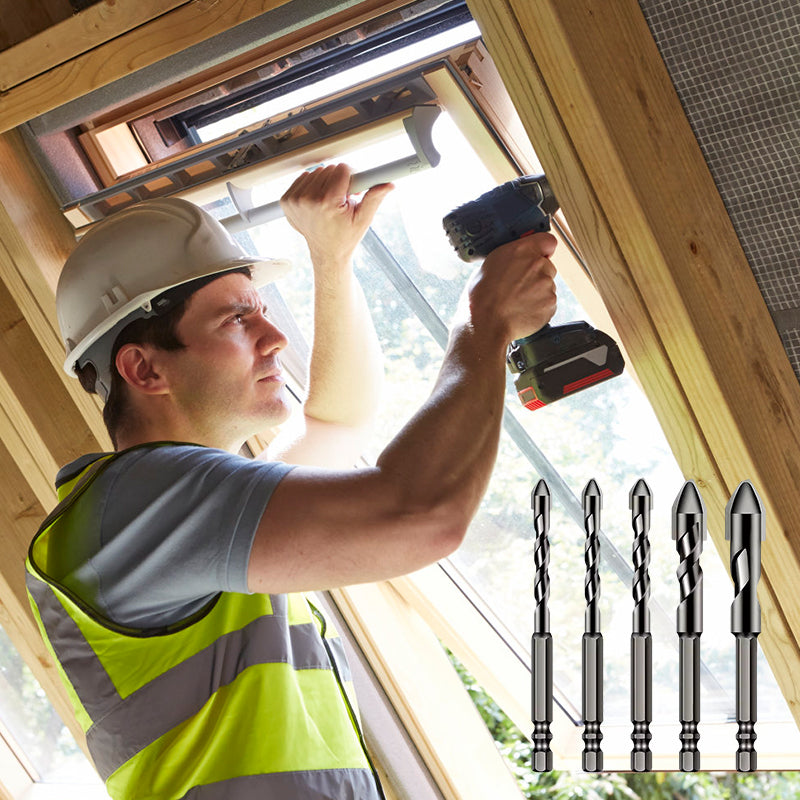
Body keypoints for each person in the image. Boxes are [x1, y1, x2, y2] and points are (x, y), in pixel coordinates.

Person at [25, 164, 557, 800]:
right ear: (143, 368)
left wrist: (332, 260)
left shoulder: (174, 509)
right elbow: (422, 515)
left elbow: (338, 420)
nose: (276, 337)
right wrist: (484, 324)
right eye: (236, 320)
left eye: (262, 312)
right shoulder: (134, 508)